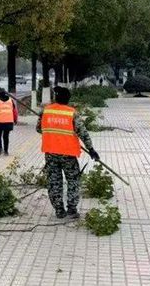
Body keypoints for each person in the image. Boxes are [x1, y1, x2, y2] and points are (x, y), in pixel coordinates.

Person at [37, 85, 100, 219]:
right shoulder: (72, 113)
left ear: (56, 98)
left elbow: (39, 129)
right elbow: (83, 133)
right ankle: (72, 209)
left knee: (54, 181)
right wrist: (91, 150)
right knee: (73, 180)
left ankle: (59, 210)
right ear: (68, 99)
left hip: (50, 153)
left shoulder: (45, 111)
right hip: (68, 154)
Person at [0, 89, 18, 157]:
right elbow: (14, 111)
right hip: (9, 121)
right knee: (6, 136)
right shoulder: (11, 100)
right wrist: (15, 120)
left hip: (0, 122)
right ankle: (6, 151)